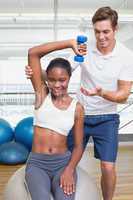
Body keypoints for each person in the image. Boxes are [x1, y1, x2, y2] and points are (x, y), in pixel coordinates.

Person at [25, 6, 133, 200]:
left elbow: (124, 95)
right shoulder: (84, 48)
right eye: (97, 31)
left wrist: (103, 93)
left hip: (106, 117)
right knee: (65, 155)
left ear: (115, 29)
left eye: (106, 31)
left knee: (108, 167)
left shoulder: (126, 57)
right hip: (79, 115)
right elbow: (60, 74)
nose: (101, 37)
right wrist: (36, 74)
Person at [25, 44, 84, 200]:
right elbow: (33, 53)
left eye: (62, 80)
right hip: (38, 164)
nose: (57, 85)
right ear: (47, 79)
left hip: (62, 164)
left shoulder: (77, 108)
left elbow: (78, 146)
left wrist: (69, 169)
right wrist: (70, 43)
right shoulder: (42, 94)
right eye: (51, 80)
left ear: (69, 78)